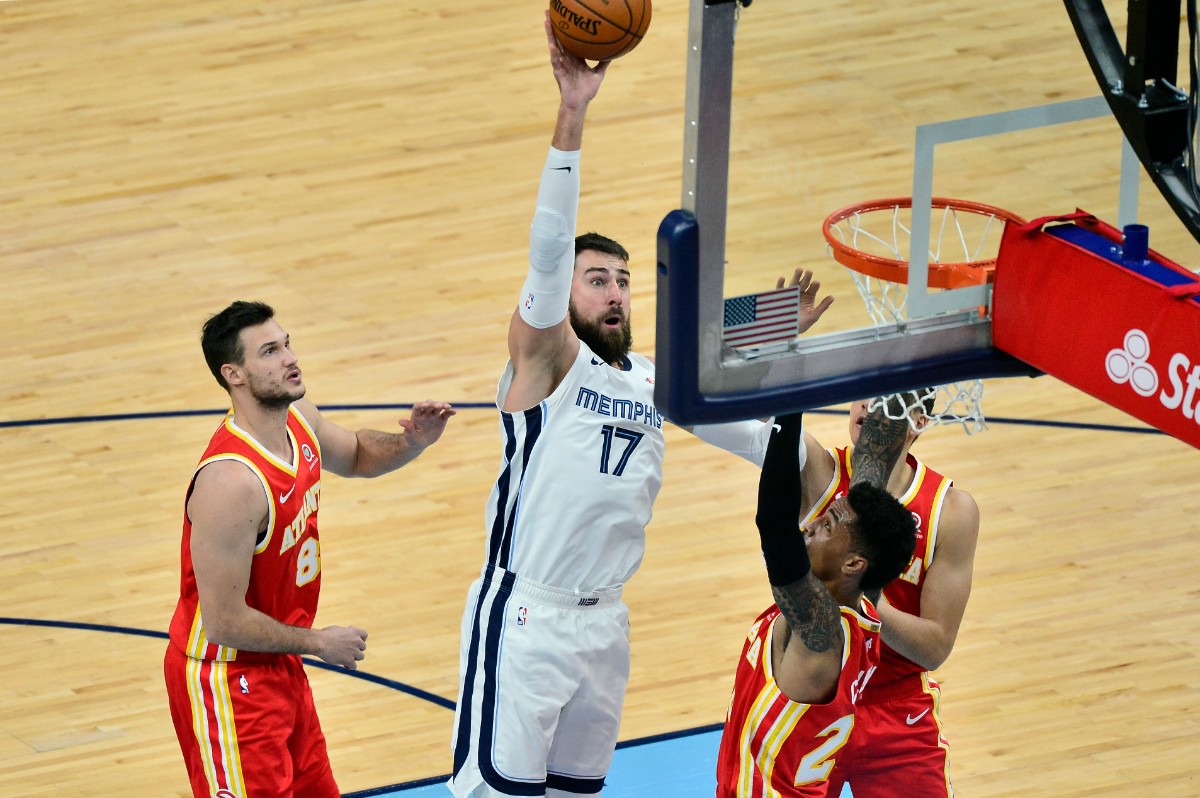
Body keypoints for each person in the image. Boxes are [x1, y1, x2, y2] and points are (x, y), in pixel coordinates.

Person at [448, 16, 832, 798]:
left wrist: (796, 378)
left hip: (604, 627)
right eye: (599, 279)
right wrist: (573, 113)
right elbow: (549, 248)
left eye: (623, 279)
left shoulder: (654, 383)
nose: (615, 290)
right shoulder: (548, 360)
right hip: (529, 617)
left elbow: (769, 444)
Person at [163, 300, 455, 798]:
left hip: (279, 662)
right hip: (227, 681)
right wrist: (320, 642)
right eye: (270, 351)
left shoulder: (299, 419)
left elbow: (359, 454)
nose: (290, 358)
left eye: (288, 343)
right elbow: (223, 621)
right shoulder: (230, 483)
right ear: (234, 374)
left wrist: (414, 442)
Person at [715, 406, 918, 796]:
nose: (810, 525)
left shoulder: (821, 631)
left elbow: (775, 528)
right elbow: (872, 461)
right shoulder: (859, 596)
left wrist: (790, 404)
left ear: (854, 562)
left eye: (827, 525)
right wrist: (901, 378)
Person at [806, 389, 981, 797]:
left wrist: (867, 602)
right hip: (814, 696)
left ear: (918, 421)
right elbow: (754, 428)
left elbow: (935, 647)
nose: (865, 405)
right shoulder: (817, 470)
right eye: (860, 394)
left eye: (884, 398)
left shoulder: (951, 510)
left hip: (895, 707)